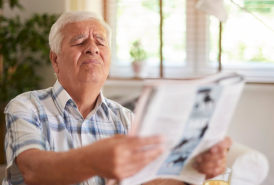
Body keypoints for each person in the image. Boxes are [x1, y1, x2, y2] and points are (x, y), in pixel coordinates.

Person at [3, 11, 231, 185]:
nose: (92, 48)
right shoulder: (26, 106)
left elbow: (150, 181)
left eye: (100, 42)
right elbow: (31, 170)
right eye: (79, 41)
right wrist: (93, 160)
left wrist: (194, 170)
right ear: (55, 60)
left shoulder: (127, 120)